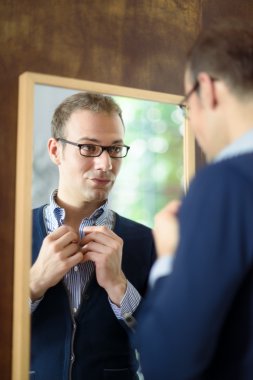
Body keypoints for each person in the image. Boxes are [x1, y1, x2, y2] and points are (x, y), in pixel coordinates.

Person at [135, 20, 253, 380]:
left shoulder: (226, 183)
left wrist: (169, 256)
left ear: (207, 87)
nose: (193, 125)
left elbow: (167, 362)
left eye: (187, 107)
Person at [29, 92, 156, 380]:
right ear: (55, 151)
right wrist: (32, 285)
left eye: (114, 149)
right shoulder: (9, 233)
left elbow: (170, 345)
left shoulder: (149, 243)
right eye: (89, 147)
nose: (106, 164)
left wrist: (120, 288)